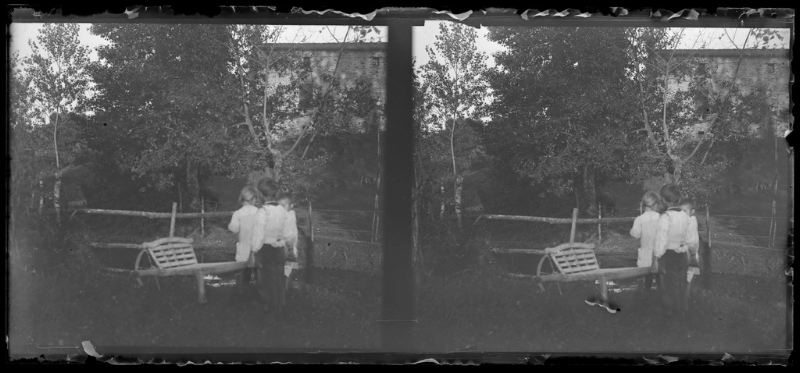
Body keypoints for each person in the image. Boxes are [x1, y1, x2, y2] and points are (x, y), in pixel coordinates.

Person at [653, 184, 700, 317]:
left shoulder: (665, 217)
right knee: (681, 282)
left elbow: (661, 240)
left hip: (668, 255)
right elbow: (692, 240)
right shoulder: (686, 217)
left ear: (663, 200)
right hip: (682, 255)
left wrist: (657, 256)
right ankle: (681, 310)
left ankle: (669, 312)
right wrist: (689, 251)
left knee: (667, 284)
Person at [251, 178, 292, 313]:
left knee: (265, 278)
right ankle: (279, 305)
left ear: (261, 195)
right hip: (279, 248)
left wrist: (255, 249)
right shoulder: (282, 210)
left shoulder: (262, 212)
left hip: (266, 249)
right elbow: (286, 230)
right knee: (278, 277)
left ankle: (268, 306)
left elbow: (258, 233)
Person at [228, 185, 261, 297]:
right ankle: (258, 295)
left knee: (242, 273)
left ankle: (241, 295)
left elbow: (233, 229)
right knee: (258, 273)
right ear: (253, 199)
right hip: (257, 248)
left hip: (243, 248)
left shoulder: (238, 213)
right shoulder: (259, 212)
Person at [630, 191, 663, 298]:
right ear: (656, 204)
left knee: (645, 281)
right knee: (660, 280)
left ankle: (644, 300)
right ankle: (662, 300)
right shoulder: (661, 218)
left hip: (645, 255)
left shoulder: (640, 219)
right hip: (659, 255)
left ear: (644, 205)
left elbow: (635, 234)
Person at [277, 191, 300, 291]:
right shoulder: (290, 213)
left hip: (288, 247)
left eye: (283, 206)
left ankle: (284, 290)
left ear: (291, 206)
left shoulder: (289, 216)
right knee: (285, 270)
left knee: (287, 269)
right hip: (286, 247)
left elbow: (289, 234)